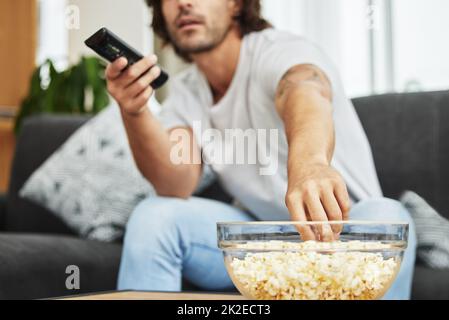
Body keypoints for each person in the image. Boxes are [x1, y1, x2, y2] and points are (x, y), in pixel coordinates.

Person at [105, 0, 416, 299]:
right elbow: (175, 183)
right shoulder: (187, 92)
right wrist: (135, 112)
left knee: (388, 216)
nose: (184, 2)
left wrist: (310, 164)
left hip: (343, 232)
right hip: (263, 240)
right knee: (154, 216)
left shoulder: (279, 50)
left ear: (237, 4)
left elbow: (303, 90)